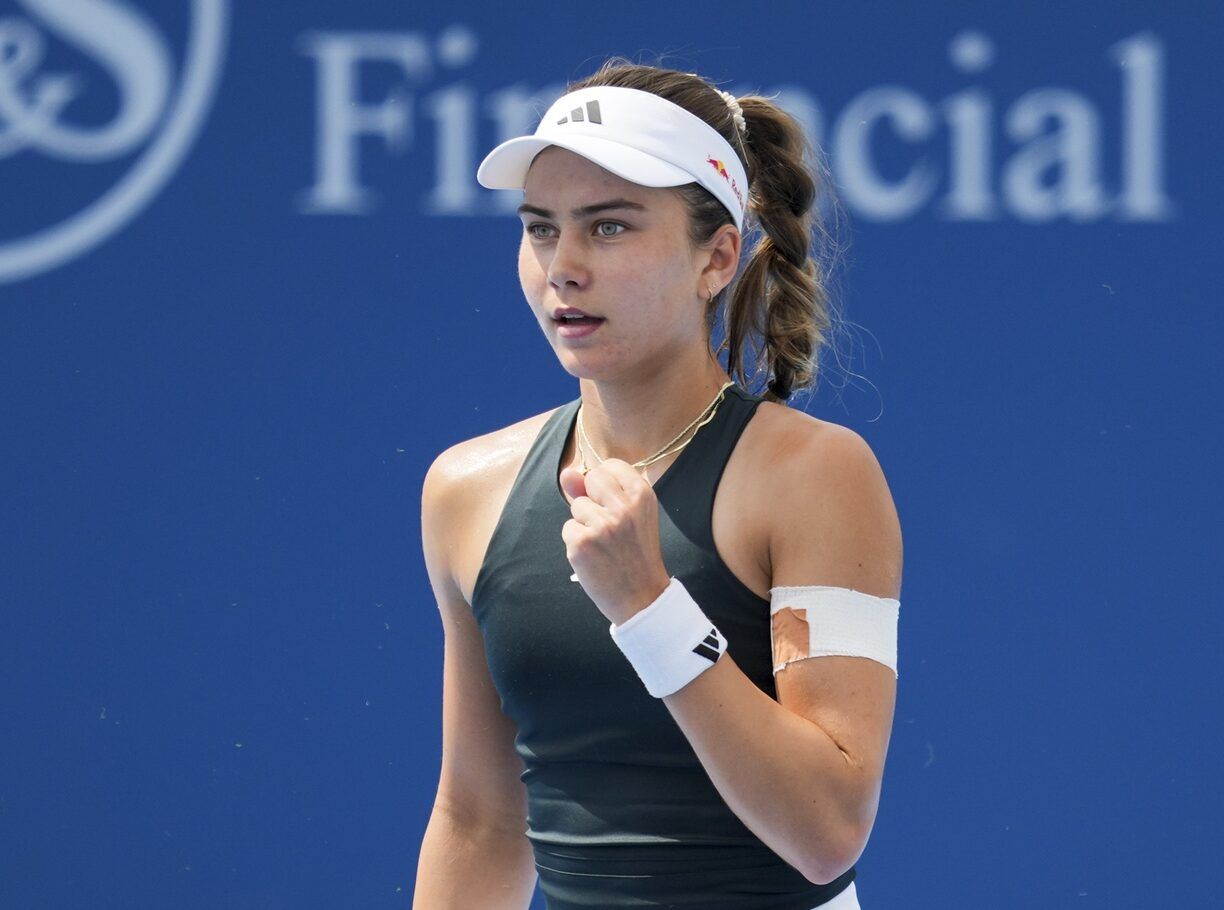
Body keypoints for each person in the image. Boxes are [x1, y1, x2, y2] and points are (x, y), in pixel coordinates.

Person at [411, 58, 903, 910]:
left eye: (608, 227)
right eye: (540, 228)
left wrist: (649, 607)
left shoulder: (818, 476)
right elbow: (480, 820)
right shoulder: (464, 490)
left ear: (717, 258)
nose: (563, 265)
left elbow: (828, 832)